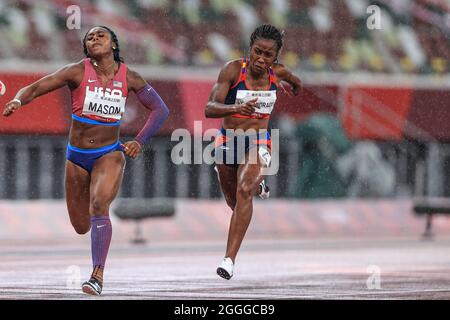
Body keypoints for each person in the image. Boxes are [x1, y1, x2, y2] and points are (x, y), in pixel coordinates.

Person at [2, 26, 169, 295]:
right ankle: (95, 254)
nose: (94, 39)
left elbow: (161, 109)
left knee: (99, 204)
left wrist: (139, 140)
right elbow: (36, 87)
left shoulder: (131, 78)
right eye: (89, 37)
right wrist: (18, 101)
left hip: (109, 153)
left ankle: (97, 275)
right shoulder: (77, 71)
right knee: (81, 226)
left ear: (114, 44)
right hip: (77, 157)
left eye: (100, 35)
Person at [205, 24, 302, 280]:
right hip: (228, 140)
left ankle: (229, 260)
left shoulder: (277, 72)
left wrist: (291, 86)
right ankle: (259, 187)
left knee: (244, 188)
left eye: (267, 55)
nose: (261, 58)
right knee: (233, 201)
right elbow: (210, 108)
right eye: (257, 51)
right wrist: (235, 108)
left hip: (259, 141)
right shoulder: (233, 70)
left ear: (275, 58)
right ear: (249, 49)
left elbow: (296, 82)